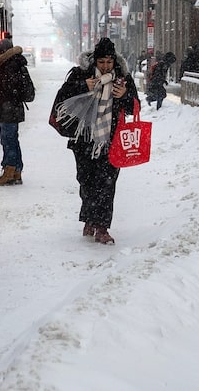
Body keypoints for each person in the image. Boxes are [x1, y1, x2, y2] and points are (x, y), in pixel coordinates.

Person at [55, 38, 139, 245]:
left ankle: (102, 227)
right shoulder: (80, 74)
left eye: (109, 62)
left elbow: (134, 107)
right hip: (84, 139)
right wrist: (82, 86)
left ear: (114, 61)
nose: (105, 66)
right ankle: (89, 219)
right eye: (101, 62)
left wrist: (125, 95)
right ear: (95, 61)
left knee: (107, 184)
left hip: (111, 139)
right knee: (86, 181)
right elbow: (62, 98)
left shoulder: (122, 78)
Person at [0, 37, 33, 186]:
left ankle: (9, 172)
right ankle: (17, 171)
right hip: (12, 109)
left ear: (2, 52)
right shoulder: (15, 64)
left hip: (8, 110)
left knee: (8, 141)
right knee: (12, 140)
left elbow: (6, 90)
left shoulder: (7, 65)